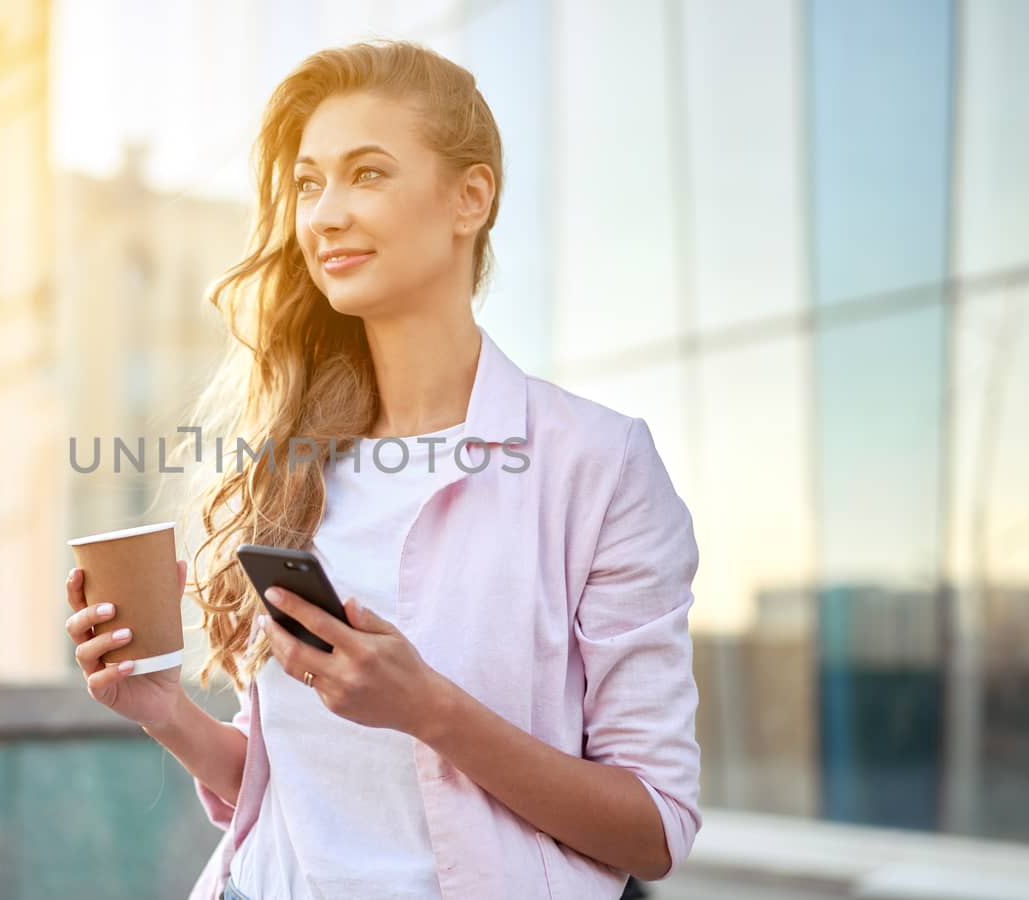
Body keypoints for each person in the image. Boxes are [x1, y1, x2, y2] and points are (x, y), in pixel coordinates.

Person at [64, 40, 701, 900]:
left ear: (470, 199)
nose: (325, 214)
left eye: (366, 174)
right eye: (307, 184)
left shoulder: (598, 465)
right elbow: (298, 784)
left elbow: (654, 829)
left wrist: (429, 710)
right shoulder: (295, 461)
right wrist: (165, 712)